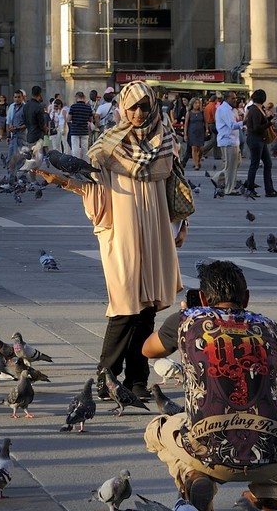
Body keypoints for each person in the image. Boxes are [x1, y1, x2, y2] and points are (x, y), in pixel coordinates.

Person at [41, 78, 181, 401]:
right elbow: (94, 185)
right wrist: (65, 182)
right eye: (132, 107)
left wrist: (181, 222)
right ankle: (106, 378)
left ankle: (136, 381)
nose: (138, 113)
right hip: (123, 229)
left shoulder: (166, 139)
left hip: (157, 227)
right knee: (124, 306)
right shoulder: (108, 144)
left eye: (144, 106)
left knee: (147, 309)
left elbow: (175, 184)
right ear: (122, 108)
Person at [141, 257, 277, 511]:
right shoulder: (269, 326)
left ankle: (194, 476)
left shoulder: (185, 320)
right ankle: (269, 491)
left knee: (154, 430)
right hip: (273, 454)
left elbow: (147, 349)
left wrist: (185, 317)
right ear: (246, 298)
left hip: (208, 452)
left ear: (202, 297)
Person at [242, 89, 277, 198]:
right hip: (255, 139)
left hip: (259, 139)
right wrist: (270, 123)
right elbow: (257, 127)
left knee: (267, 163)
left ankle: (269, 189)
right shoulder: (255, 110)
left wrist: (270, 118)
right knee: (255, 164)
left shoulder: (258, 109)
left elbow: (261, 123)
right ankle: (250, 188)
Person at [214, 92, 241, 195]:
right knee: (230, 167)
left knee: (235, 164)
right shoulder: (224, 110)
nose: (235, 100)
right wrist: (244, 122)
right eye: (233, 98)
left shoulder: (229, 110)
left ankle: (218, 178)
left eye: (235, 98)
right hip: (228, 140)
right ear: (226, 99)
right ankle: (229, 188)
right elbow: (231, 125)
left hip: (233, 140)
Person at [67, 91, 95, 157]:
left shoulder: (73, 107)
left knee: (75, 148)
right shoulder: (88, 107)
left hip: (75, 130)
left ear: (76, 97)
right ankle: (86, 163)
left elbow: (69, 119)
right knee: (85, 148)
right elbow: (91, 119)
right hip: (84, 130)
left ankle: (76, 162)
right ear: (84, 97)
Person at [185, 97, 205, 171]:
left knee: (201, 148)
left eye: (198, 103)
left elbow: (205, 122)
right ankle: (196, 164)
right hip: (192, 132)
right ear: (192, 104)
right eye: (195, 103)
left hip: (200, 131)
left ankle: (198, 160)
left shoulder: (201, 112)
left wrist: (206, 129)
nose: (197, 105)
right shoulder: (189, 113)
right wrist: (185, 134)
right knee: (194, 148)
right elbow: (186, 124)